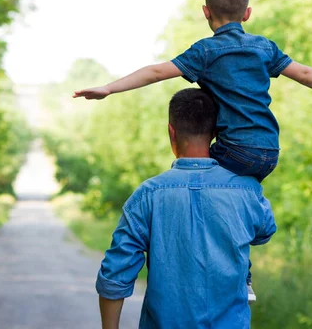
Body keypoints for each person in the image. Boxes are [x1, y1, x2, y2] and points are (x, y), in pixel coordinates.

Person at [76, 0, 312, 299]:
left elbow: (158, 71)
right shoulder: (263, 47)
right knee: (236, 194)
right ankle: (246, 246)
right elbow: (304, 72)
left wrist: (109, 88)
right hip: (269, 151)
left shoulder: (206, 51)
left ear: (206, 12)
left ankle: (236, 273)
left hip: (234, 150)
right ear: (247, 14)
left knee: (193, 175)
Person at [96, 88, 276, 329]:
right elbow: (264, 232)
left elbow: (115, 274)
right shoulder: (247, 190)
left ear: (171, 130)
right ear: (214, 133)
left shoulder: (147, 194)